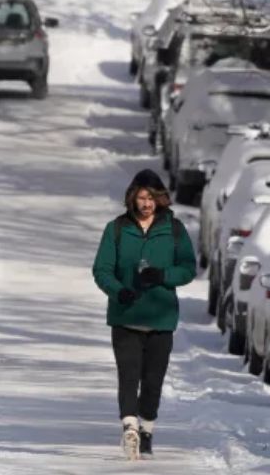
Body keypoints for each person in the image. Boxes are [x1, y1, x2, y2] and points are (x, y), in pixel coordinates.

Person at [91, 168, 197, 460]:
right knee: (128, 377)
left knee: (152, 382)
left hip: (161, 320)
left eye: (151, 198)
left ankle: (146, 427)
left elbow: (189, 268)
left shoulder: (174, 230)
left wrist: (163, 275)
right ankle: (130, 428)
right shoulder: (116, 229)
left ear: (160, 199)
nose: (146, 203)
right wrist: (118, 291)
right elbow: (101, 269)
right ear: (132, 199)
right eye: (141, 198)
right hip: (125, 317)